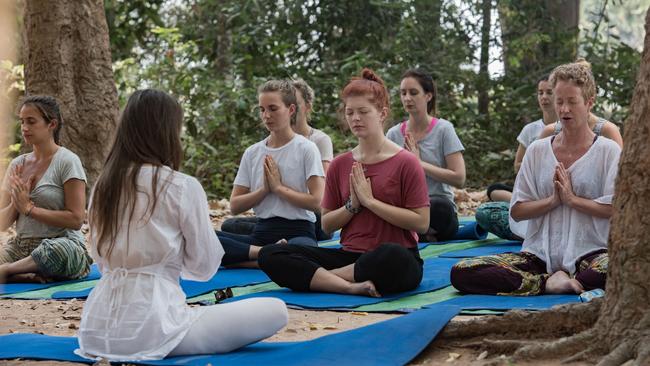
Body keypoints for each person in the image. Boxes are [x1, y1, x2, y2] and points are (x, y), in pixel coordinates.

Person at [76, 89, 287, 361]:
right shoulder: (181, 186)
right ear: (168, 132)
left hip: (96, 329)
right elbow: (203, 267)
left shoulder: (103, 188)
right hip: (155, 327)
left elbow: (102, 263)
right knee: (275, 310)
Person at [451, 60, 620, 296]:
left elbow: (616, 208)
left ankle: (574, 279)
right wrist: (552, 201)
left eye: (572, 102)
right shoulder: (538, 150)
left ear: (589, 103)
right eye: (559, 102)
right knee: (463, 270)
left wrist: (572, 200)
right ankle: (547, 283)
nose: (564, 110)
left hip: (590, 253)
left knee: (621, 267)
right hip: (538, 255)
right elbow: (518, 210)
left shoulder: (608, 150)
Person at [258, 69, 430, 297]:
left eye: (363, 112)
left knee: (393, 256)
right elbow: (327, 224)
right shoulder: (341, 164)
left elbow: (421, 223)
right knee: (270, 254)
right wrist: (353, 205)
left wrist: (370, 201)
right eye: (350, 112)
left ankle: (323, 278)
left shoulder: (407, 162)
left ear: (382, 113)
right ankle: (349, 286)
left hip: (392, 257)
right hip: (349, 255)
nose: (355, 118)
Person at [216, 80, 325, 267]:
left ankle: (251, 260)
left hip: (299, 232)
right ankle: (265, 255)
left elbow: (317, 201)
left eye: (273, 109)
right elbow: (235, 206)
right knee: (205, 238)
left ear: (291, 110)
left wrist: (279, 188)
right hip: (262, 232)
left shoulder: (307, 148)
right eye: (262, 109)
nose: (266, 115)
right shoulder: (253, 152)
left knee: (300, 254)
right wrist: (265, 190)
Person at [0, 96, 91, 284]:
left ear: (52, 124)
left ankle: (7, 271)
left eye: (31, 122)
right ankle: (21, 274)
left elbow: (76, 219)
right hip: (21, 249)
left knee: (56, 251)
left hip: (61, 244)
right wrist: (17, 203)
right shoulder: (18, 165)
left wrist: (30, 209)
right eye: (22, 122)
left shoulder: (67, 161)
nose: (25, 128)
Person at [386, 69, 465, 242]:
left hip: (437, 209)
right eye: (403, 93)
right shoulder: (393, 134)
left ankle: (416, 233)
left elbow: (459, 178)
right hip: (406, 209)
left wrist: (418, 163)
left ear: (428, 96)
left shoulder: (444, 129)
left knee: (439, 207)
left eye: (413, 93)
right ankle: (420, 233)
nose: (407, 98)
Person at [476, 75, 558, 240]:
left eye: (549, 92)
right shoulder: (530, 129)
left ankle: (535, 232)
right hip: (532, 193)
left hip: (559, 197)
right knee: (492, 195)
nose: (544, 97)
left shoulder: (573, 128)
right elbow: (518, 165)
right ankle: (529, 228)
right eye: (540, 92)